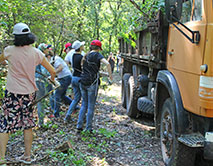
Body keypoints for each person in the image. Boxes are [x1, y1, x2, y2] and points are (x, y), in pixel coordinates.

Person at [0, 23, 56, 164]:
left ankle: (1, 158)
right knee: (28, 124)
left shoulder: (9, 50)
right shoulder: (36, 52)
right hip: (29, 94)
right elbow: (52, 71)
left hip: (12, 92)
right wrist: (52, 79)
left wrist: (7, 64)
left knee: (6, 124)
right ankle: (27, 157)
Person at [77, 40, 113, 132]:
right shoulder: (97, 55)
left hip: (83, 82)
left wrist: (101, 73)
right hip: (92, 83)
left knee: (84, 104)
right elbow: (108, 64)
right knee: (91, 106)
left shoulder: (86, 55)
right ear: (99, 48)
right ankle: (88, 128)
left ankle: (79, 126)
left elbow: (86, 68)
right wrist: (110, 77)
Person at [64, 40, 85, 123]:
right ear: (80, 48)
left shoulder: (73, 56)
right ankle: (82, 117)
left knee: (76, 98)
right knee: (84, 98)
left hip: (74, 78)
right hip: (80, 79)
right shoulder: (81, 57)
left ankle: (68, 115)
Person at [35, 43, 54, 126]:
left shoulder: (34, 56)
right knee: (40, 102)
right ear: (43, 50)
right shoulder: (41, 56)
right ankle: (41, 123)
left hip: (31, 81)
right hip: (39, 81)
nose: (48, 50)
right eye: (46, 49)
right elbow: (44, 71)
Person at [52, 50, 73, 118]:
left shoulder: (55, 59)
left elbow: (60, 68)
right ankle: (75, 106)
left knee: (57, 94)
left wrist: (53, 73)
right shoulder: (54, 59)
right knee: (62, 95)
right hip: (65, 77)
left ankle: (56, 114)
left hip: (65, 78)